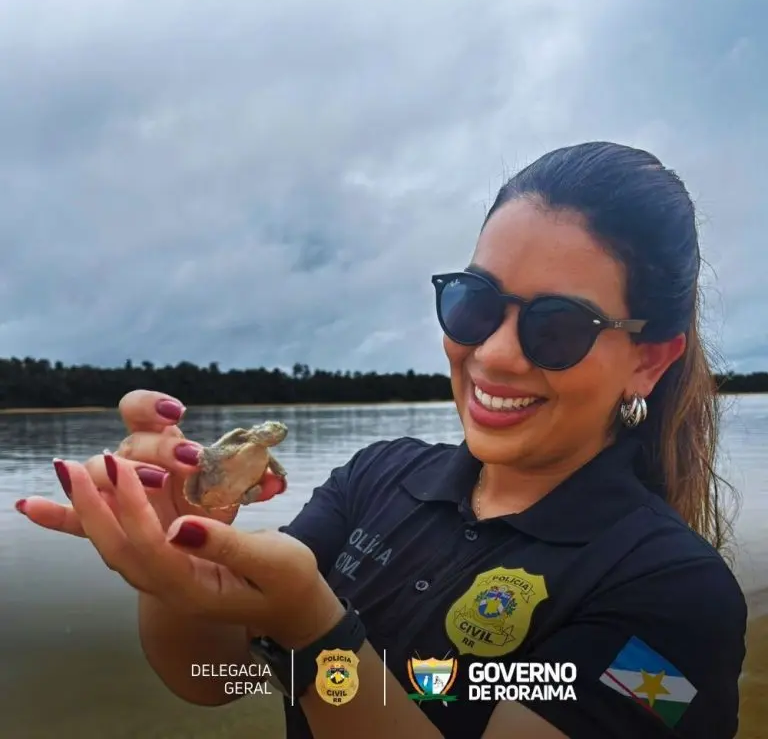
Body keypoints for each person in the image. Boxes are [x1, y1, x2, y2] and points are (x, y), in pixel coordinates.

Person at [17, 141, 747, 739]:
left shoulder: (677, 598)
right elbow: (215, 678)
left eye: (556, 326)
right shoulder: (380, 479)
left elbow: (305, 645)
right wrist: (183, 542)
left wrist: (314, 631)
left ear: (649, 359)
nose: (493, 353)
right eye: (475, 301)